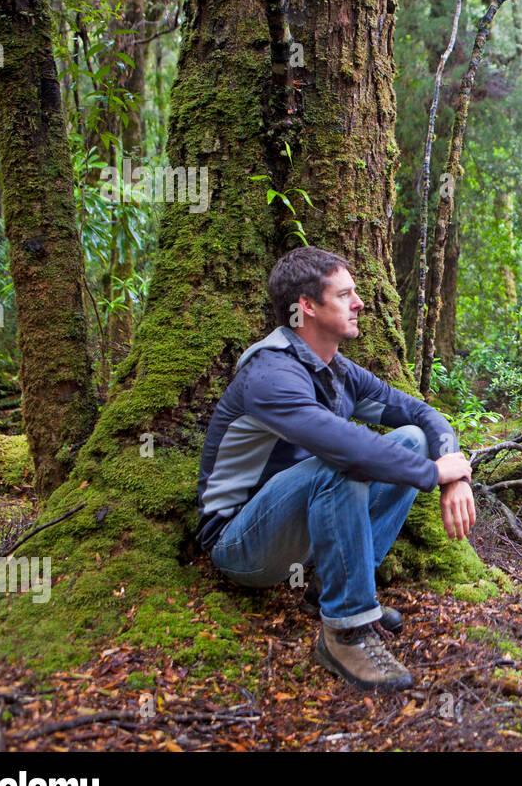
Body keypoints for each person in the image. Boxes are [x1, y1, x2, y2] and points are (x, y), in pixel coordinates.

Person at [196, 246, 476, 693]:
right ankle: (346, 632)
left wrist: (455, 473)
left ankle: (334, 584)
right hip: (241, 544)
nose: (360, 303)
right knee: (340, 463)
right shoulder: (270, 375)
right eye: (345, 294)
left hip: (299, 534)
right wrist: (431, 475)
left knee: (412, 439)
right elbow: (346, 447)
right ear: (306, 306)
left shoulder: (337, 371)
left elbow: (423, 416)